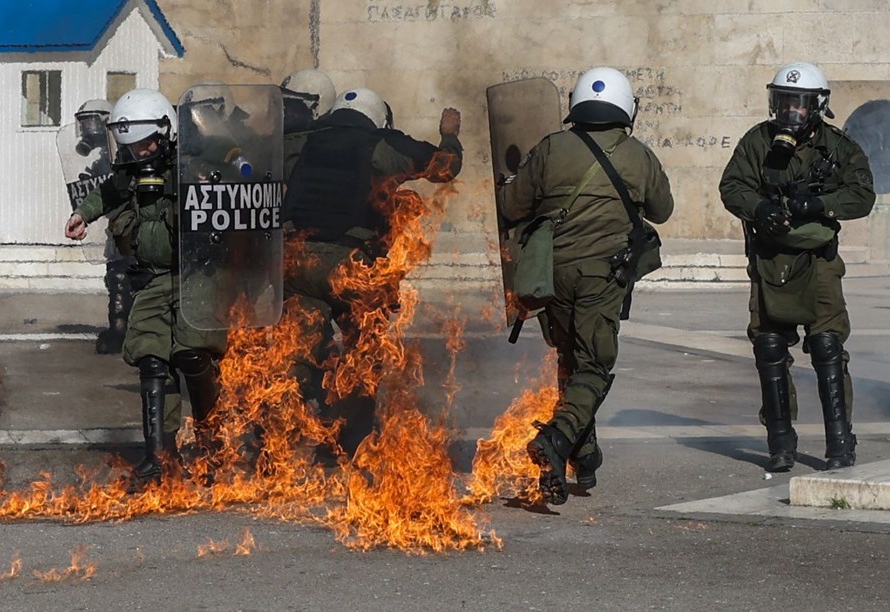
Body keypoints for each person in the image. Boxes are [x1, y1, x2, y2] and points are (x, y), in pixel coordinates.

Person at [499, 67, 674, 504]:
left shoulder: (551, 148)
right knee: (593, 366)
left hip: (552, 273)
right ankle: (557, 440)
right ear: (626, 107)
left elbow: (513, 204)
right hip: (603, 275)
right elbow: (663, 209)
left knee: (570, 359)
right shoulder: (638, 154)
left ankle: (584, 455)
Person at [282, 86, 462, 457]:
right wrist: (450, 135)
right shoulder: (382, 144)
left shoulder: (302, 142)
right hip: (352, 267)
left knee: (298, 352)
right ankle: (350, 441)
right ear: (377, 117)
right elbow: (445, 167)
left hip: (296, 263)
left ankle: (280, 435)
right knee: (362, 351)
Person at [65, 88, 225, 484]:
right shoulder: (129, 175)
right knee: (152, 359)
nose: (140, 152)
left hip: (197, 276)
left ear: (167, 132)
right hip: (153, 279)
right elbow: (105, 192)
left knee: (192, 355)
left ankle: (211, 445)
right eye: (132, 146)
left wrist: (216, 180)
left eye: (146, 143)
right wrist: (82, 214)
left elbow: (237, 188)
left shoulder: (193, 166)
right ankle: (160, 457)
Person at [720, 62, 875, 472]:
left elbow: (862, 195)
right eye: (786, 100)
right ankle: (780, 442)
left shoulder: (837, 147)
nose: (792, 110)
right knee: (769, 347)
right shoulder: (758, 142)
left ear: (818, 106)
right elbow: (732, 186)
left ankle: (840, 444)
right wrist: (761, 209)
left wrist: (820, 204)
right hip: (770, 260)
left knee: (827, 347)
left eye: (801, 103)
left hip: (817, 261)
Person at [72, 98, 135, 355]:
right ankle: (118, 330)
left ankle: (127, 330)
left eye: (91, 122)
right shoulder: (101, 162)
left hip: (137, 229)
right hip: (118, 232)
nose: (87, 129)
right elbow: (102, 193)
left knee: (128, 279)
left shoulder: (130, 153)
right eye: (83, 123)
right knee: (116, 278)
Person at [280, 68, 337, 177]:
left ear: (315, 109)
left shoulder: (317, 148)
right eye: (283, 103)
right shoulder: (279, 141)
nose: (284, 110)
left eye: (292, 105)